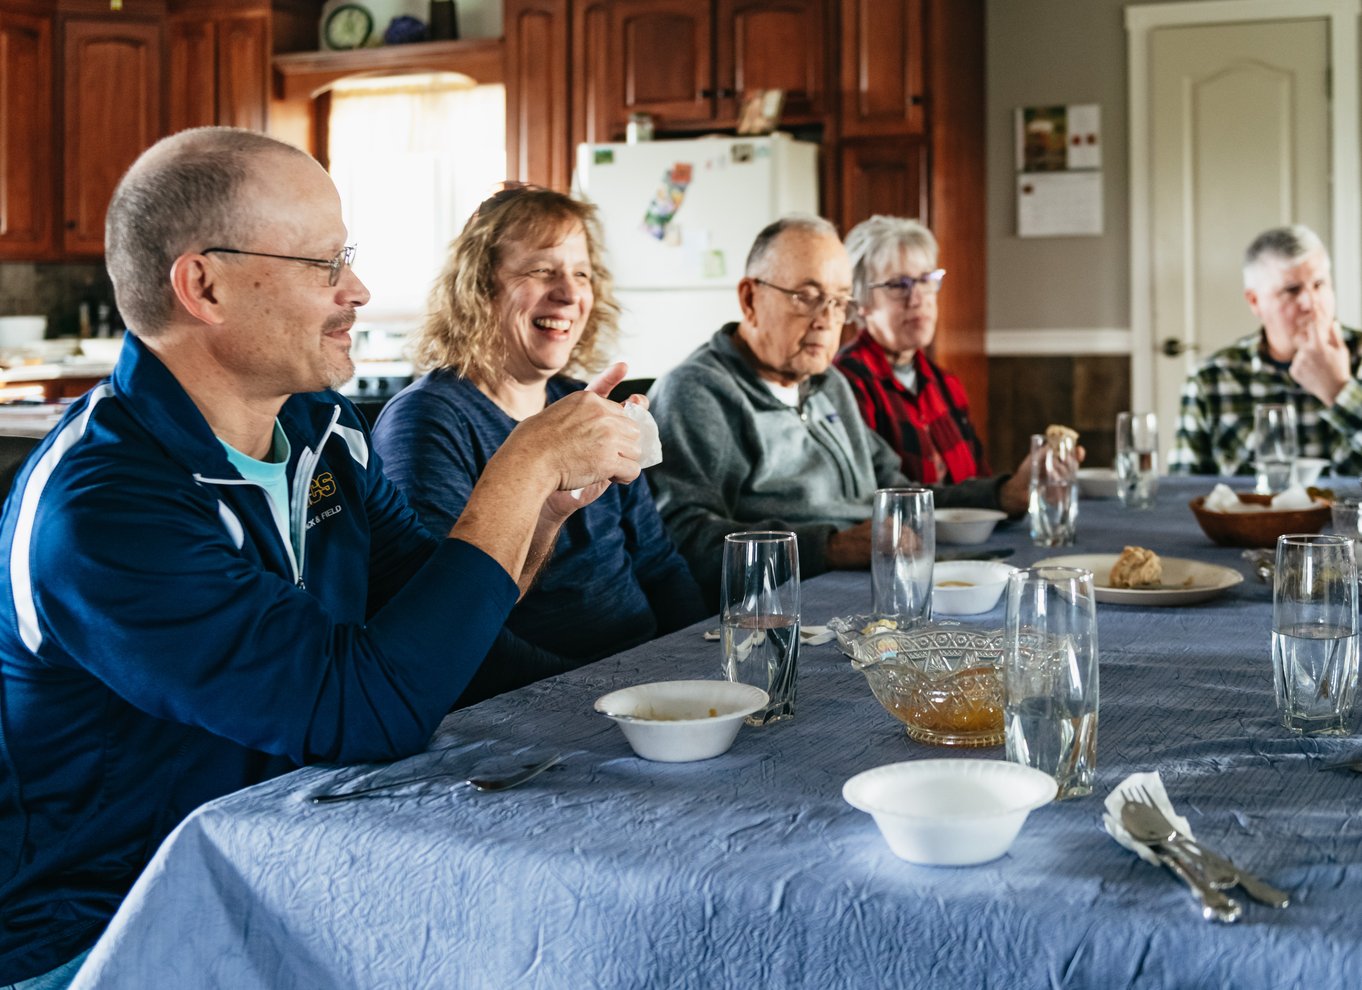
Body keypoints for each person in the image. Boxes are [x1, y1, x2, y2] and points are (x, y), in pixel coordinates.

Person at [0, 128, 643, 987]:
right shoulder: (103, 507)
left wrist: (543, 511)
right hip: (115, 937)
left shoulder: (323, 435)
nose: (358, 289)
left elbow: (434, 634)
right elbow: (362, 709)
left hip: (295, 873)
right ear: (204, 284)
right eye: (323, 264)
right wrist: (518, 465)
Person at [372, 186, 705, 705]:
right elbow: (451, 632)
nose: (569, 295)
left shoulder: (583, 403)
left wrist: (703, 661)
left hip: (645, 679)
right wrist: (601, 690)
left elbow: (659, 564)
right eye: (542, 271)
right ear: (480, 286)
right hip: (544, 702)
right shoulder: (427, 423)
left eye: (581, 274)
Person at [646, 214, 1031, 605]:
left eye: (838, 301)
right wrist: (828, 548)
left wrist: (1000, 495)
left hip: (872, 589)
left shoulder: (828, 384)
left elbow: (902, 495)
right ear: (750, 299)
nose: (827, 321)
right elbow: (683, 542)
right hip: (786, 609)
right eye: (807, 297)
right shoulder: (697, 393)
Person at [1170, 224, 1362, 476]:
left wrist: (1339, 391)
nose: (1310, 303)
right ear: (1255, 301)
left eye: (1319, 284)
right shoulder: (1211, 379)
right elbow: (1182, 493)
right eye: (1292, 290)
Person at [833, 215, 990, 484]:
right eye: (897, 285)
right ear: (861, 300)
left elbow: (980, 480)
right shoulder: (846, 382)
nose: (917, 299)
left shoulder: (946, 383)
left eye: (926, 280)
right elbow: (871, 493)